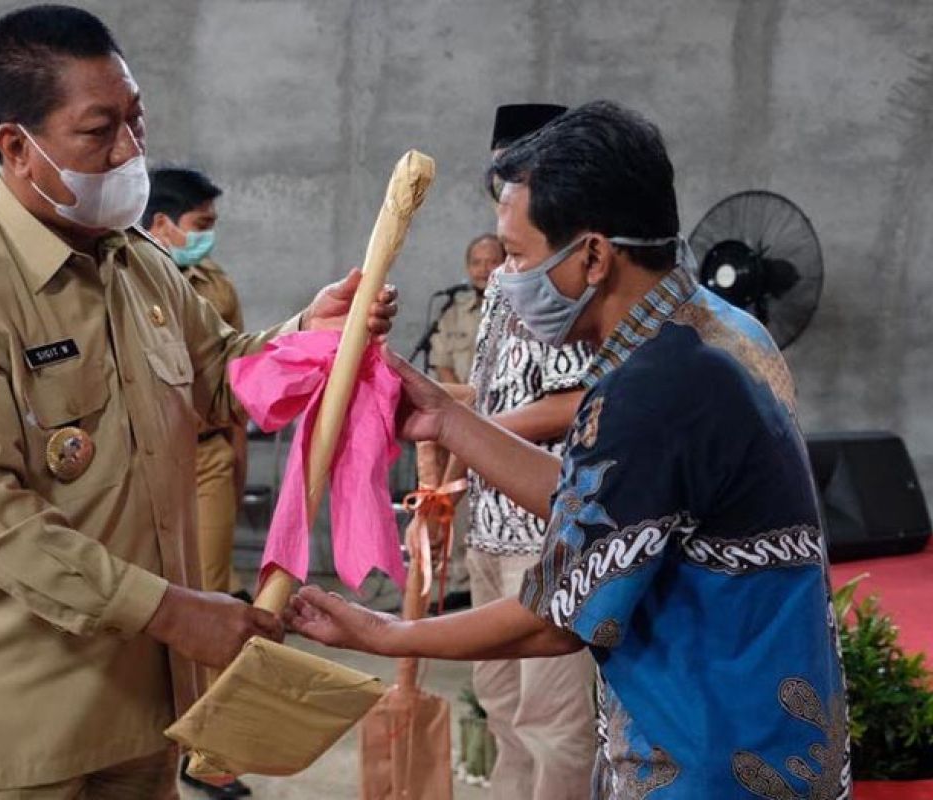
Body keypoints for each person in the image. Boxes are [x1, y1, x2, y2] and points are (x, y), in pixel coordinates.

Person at [0, 6, 395, 799]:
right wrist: (178, 612)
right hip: (11, 718)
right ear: (18, 147)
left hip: (139, 704)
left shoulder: (139, 264)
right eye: (99, 130)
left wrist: (307, 337)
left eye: (137, 120)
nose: (130, 150)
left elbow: (219, 372)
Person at [286, 101, 850, 798]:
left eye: (518, 257)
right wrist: (442, 416)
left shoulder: (654, 388)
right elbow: (612, 504)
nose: (504, 281)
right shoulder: (710, 332)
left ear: (591, 255)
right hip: (765, 737)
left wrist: (381, 634)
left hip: (710, 760)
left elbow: (553, 621)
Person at [445, 102, 598, 799]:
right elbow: (491, 395)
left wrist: (483, 429)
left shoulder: (572, 276)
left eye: (523, 171)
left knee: (554, 722)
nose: (506, 185)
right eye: (500, 172)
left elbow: (580, 401)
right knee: (501, 703)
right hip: (490, 523)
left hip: (548, 532)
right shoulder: (509, 277)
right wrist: (451, 474)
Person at [143, 167, 248, 601]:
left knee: (211, 593)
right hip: (142, 456)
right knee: (146, 592)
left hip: (206, 455)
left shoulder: (217, 285)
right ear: (162, 223)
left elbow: (237, 375)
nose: (208, 238)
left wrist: (236, 459)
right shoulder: (121, 280)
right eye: (199, 226)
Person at [427, 233, 503, 385]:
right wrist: (465, 405)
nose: (483, 269)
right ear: (468, 267)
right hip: (459, 404)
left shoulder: (518, 314)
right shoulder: (451, 313)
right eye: (476, 263)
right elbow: (442, 365)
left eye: (492, 262)